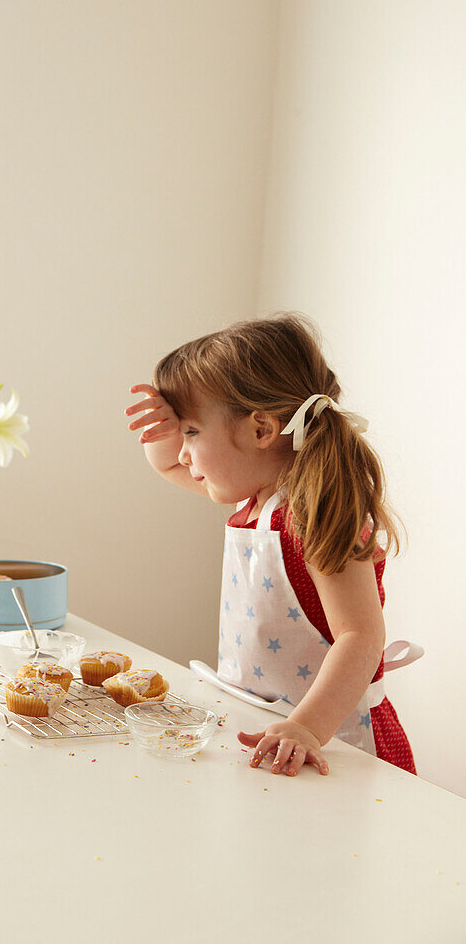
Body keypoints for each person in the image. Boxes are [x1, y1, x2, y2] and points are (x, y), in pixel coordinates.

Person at [125, 312, 421, 778]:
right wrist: (166, 432)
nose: (182, 453)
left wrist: (307, 727)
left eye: (192, 432)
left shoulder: (313, 512)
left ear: (260, 430)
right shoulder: (257, 503)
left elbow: (361, 635)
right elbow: (170, 467)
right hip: (269, 730)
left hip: (335, 741)